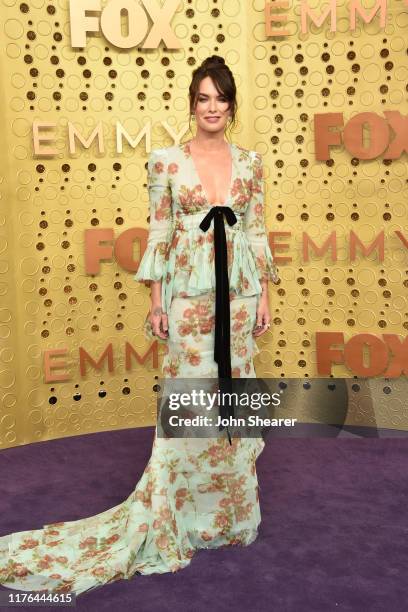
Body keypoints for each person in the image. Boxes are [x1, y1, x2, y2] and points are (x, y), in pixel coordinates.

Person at [0, 55, 279, 597]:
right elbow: (160, 234)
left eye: (221, 97)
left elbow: (257, 230)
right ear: (192, 103)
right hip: (189, 300)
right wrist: (157, 302)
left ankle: (229, 517)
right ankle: (177, 516)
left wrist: (266, 294)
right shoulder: (166, 162)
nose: (212, 107)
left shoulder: (251, 163)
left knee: (235, 404)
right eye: (203, 98)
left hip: (240, 300)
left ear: (232, 104)